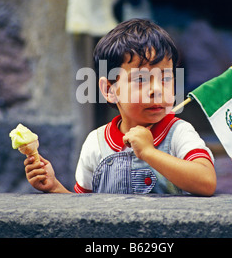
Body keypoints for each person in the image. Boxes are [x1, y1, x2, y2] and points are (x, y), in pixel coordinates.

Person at [24, 19, 216, 196]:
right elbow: (82, 209)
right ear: (109, 90)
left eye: (165, 78)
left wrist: (149, 152)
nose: (157, 90)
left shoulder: (178, 133)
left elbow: (207, 182)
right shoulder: (96, 144)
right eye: (140, 79)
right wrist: (54, 187)